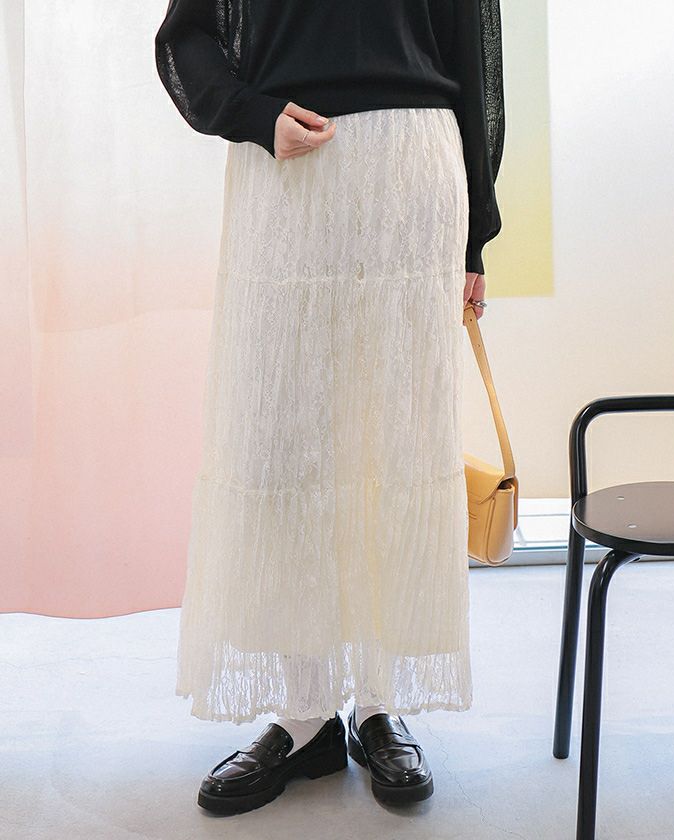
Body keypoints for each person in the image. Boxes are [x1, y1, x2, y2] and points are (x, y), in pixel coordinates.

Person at [154, 0, 505, 815]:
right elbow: (185, 36)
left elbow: (474, 51)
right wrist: (251, 114)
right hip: (287, 173)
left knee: (396, 447)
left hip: (412, 175)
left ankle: (377, 704)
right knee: (282, 451)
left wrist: (473, 237)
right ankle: (304, 713)